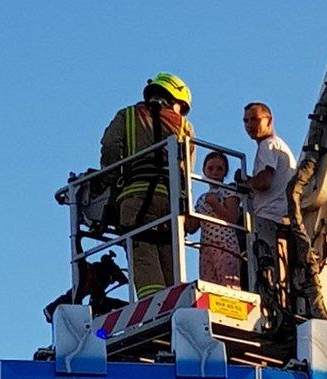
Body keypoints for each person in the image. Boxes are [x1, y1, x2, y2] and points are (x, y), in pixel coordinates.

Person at [100, 72, 194, 299]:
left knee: (143, 256)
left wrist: (109, 181)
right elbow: (186, 170)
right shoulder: (184, 126)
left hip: (136, 197)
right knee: (170, 259)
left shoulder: (128, 115)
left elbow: (111, 148)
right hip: (171, 203)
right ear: (175, 99)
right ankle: (174, 303)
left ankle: (153, 307)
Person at [242, 102, 295, 281]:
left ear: (269, 120)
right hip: (282, 218)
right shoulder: (280, 146)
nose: (249, 125)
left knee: (264, 275)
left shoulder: (268, 145)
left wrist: (246, 183)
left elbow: (264, 181)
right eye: (246, 121)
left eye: (255, 119)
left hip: (268, 217)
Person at [185, 152, 241, 288]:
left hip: (225, 245)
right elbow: (192, 227)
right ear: (204, 171)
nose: (215, 172)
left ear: (225, 172)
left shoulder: (229, 191)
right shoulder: (201, 199)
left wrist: (215, 204)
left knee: (229, 286)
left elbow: (232, 218)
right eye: (210, 168)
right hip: (206, 248)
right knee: (209, 287)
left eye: (219, 169)